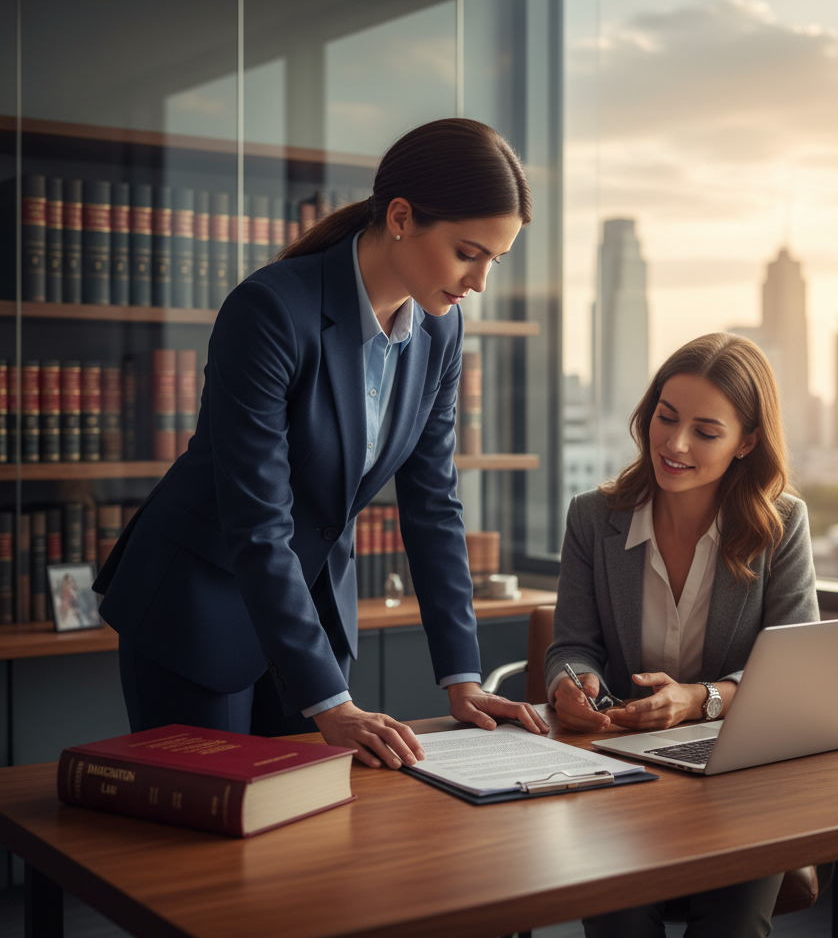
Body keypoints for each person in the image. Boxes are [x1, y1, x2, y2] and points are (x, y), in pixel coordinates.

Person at [96, 118, 547, 768]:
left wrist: (462, 678)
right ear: (400, 216)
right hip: (197, 609)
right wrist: (330, 701)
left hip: (309, 619)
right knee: (210, 847)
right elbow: (258, 521)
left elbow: (433, 505)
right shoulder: (271, 312)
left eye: (494, 261)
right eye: (467, 252)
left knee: (307, 842)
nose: (479, 280)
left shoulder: (439, 332)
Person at [546, 332, 819, 938]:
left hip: (739, 776)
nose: (674, 444)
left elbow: (796, 672)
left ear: (747, 441)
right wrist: (573, 681)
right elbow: (572, 645)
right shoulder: (594, 518)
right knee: (621, 926)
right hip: (620, 774)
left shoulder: (782, 524)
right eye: (665, 419)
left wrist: (702, 698)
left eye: (705, 431)